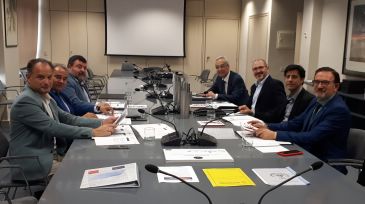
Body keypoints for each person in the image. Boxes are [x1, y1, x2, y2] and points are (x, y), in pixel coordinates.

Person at [9, 58, 117, 181]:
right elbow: (54, 127)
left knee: (95, 162)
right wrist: (93, 132)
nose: (46, 82)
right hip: (33, 161)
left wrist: (101, 122)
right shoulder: (26, 101)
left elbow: (68, 118)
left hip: (52, 152)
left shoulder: (44, 95)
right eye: (40, 77)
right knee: (85, 174)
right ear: (28, 77)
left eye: (49, 77)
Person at [250, 67, 351, 171]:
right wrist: (267, 126)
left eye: (325, 82)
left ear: (336, 86)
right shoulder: (316, 101)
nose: (319, 86)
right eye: (316, 82)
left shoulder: (338, 110)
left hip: (326, 164)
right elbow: (296, 123)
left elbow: (312, 137)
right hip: (308, 155)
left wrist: (274, 135)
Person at [238, 59, 286, 123]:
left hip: (265, 123)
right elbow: (249, 105)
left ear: (267, 68)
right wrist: (242, 108)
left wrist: (253, 113)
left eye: (261, 67)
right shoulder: (254, 87)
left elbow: (278, 111)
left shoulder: (276, 84)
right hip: (250, 120)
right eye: (255, 69)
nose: (258, 71)